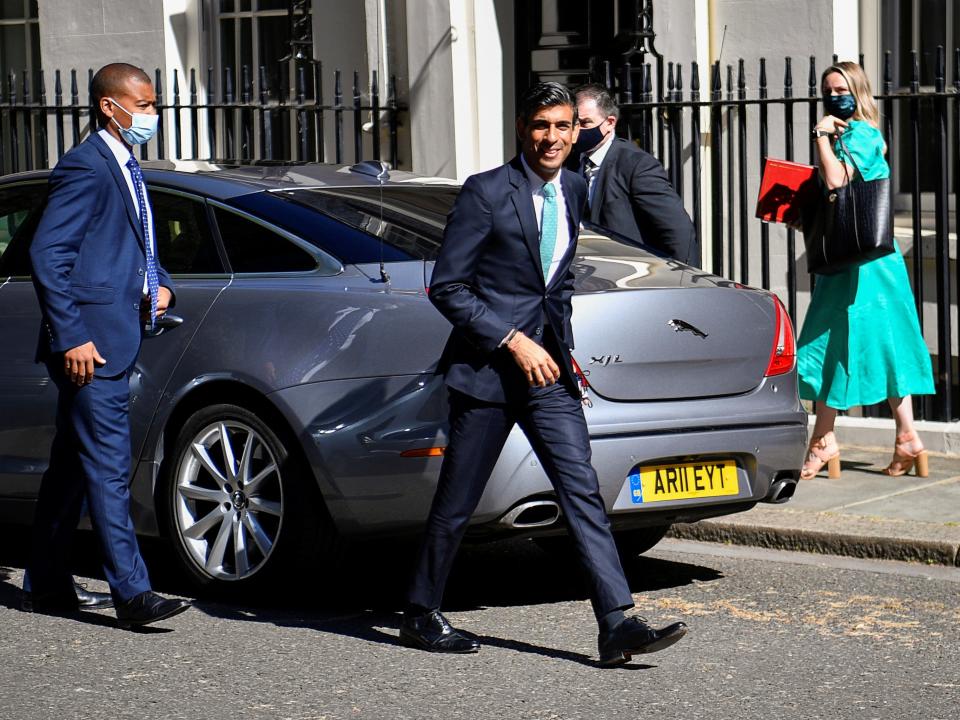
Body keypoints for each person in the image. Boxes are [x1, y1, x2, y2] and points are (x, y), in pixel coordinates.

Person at [400, 82, 687, 667]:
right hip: (487, 371)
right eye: (540, 126)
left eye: (563, 126)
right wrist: (511, 339)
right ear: (522, 128)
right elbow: (447, 287)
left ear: (576, 130)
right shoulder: (486, 192)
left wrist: (562, 350)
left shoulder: (576, 189)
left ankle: (616, 622)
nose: (552, 138)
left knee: (582, 491)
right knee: (458, 501)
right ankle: (420, 610)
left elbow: (554, 285)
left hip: (549, 373)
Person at [23, 63, 191, 628]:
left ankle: (45, 581)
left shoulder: (126, 166)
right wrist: (71, 336)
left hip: (117, 332)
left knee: (73, 467)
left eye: (154, 105)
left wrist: (159, 281)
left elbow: (135, 238)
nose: (152, 115)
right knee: (110, 465)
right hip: (92, 344)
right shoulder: (85, 166)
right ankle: (132, 593)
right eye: (142, 105)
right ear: (109, 107)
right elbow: (48, 255)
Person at [798, 61, 935, 480]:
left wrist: (821, 135)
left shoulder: (860, 134)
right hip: (870, 260)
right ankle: (907, 437)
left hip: (857, 265)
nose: (833, 96)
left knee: (826, 343)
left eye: (840, 88)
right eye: (827, 89)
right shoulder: (860, 135)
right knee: (883, 343)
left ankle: (823, 441)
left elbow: (838, 181)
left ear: (858, 91)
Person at [572, 83, 699, 267]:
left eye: (585, 123)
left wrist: (681, 279)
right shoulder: (572, 163)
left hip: (635, 274)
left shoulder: (636, 165)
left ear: (609, 123)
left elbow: (677, 230)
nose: (578, 131)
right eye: (575, 123)